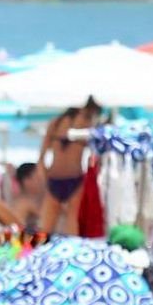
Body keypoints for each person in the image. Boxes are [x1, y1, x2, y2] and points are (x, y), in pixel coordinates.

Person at [37, 97, 100, 234]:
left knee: (45, 231)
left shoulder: (56, 123)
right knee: (72, 229)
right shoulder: (88, 124)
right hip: (73, 178)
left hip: (56, 177)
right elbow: (94, 158)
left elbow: (41, 158)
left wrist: (46, 179)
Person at [10, 162, 44, 235]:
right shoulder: (26, 202)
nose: (41, 182)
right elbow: (47, 216)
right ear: (27, 181)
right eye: (38, 178)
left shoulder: (19, 199)